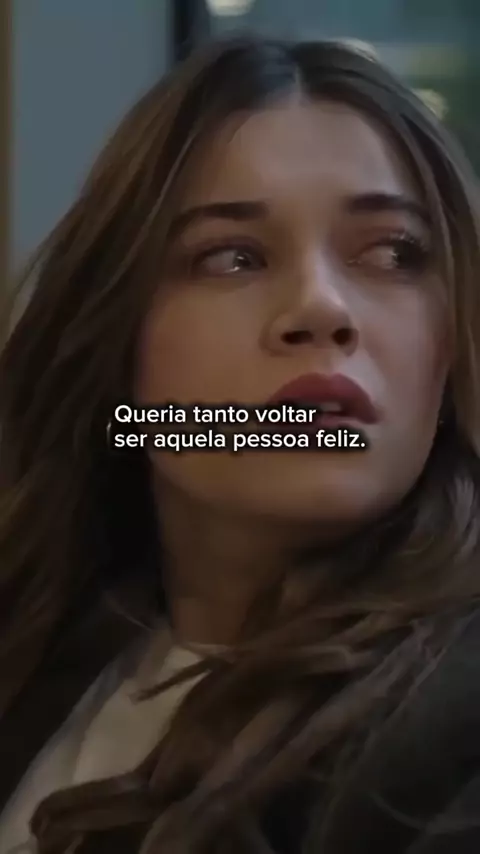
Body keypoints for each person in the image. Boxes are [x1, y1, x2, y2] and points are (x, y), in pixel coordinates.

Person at [1, 34, 480, 854]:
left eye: (393, 252)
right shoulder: (43, 644)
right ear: (115, 343)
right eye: (232, 258)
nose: (322, 308)